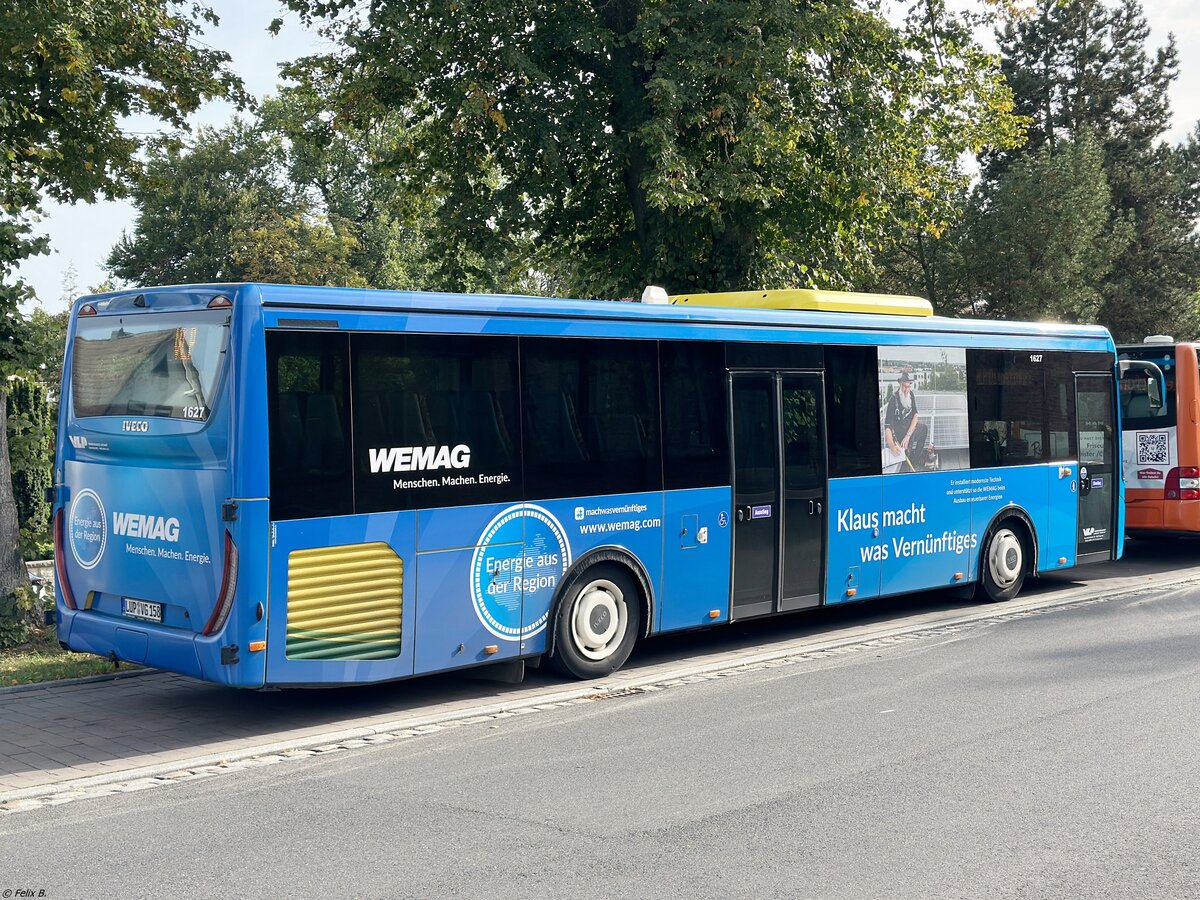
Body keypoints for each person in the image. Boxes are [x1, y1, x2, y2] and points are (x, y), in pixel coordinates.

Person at [883, 372, 935, 471]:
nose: (906, 390)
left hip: (909, 432)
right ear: (900, 384)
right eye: (904, 386)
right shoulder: (893, 400)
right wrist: (892, 446)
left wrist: (908, 435)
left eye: (908, 386)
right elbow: (887, 426)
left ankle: (915, 461)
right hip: (900, 435)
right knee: (905, 449)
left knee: (923, 429)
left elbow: (915, 415)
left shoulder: (911, 395)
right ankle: (907, 460)